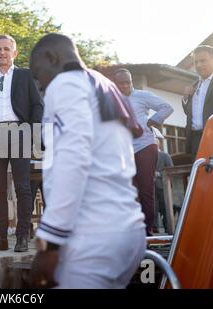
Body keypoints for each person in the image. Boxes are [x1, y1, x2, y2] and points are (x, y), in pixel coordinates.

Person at [28, 33, 146, 288]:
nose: (40, 86)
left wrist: (49, 243)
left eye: (38, 75)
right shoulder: (104, 84)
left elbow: (72, 161)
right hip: (129, 228)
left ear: (52, 57)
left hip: (95, 236)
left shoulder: (65, 84)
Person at [0, 35, 43, 252]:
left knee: (23, 188)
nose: (2, 52)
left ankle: (22, 236)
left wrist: (32, 131)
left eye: (6, 49)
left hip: (19, 131)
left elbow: (37, 105)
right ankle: (1, 238)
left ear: (14, 53)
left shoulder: (25, 76)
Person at [113, 68, 173, 235]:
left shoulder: (142, 96)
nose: (125, 85)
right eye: (121, 83)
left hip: (145, 146)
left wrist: (151, 122)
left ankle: (147, 230)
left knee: (146, 189)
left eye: (128, 82)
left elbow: (166, 107)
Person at [182, 45, 213, 160]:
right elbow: (189, 112)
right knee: (199, 173)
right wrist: (186, 97)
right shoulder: (194, 85)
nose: (199, 65)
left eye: (203, 61)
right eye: (196, 62)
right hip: (196, 139)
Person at [154, 136, 173, 233]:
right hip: (151, 186)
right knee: (153, 208)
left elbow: (171, 170)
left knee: (165, 208)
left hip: (163, 186)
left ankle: (168, 228)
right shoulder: (147, 157)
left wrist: (159, 174)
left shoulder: (165, 156)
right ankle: (155, 228)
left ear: (158, 144)